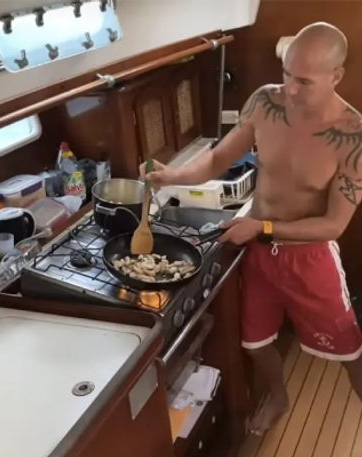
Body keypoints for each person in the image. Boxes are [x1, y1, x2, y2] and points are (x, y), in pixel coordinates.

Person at [141, 22, 362, 436]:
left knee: (349, 346)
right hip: (260, 252)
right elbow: (216, 160)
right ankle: (278, 396)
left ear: (336, 76)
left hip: (310, 256)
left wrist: (259, 226)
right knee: (255, 343)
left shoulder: (353, 136)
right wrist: (172, 176)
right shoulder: (264, 102)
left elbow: (334, 225)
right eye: (286, 74)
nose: (290, 90)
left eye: (304, 81)